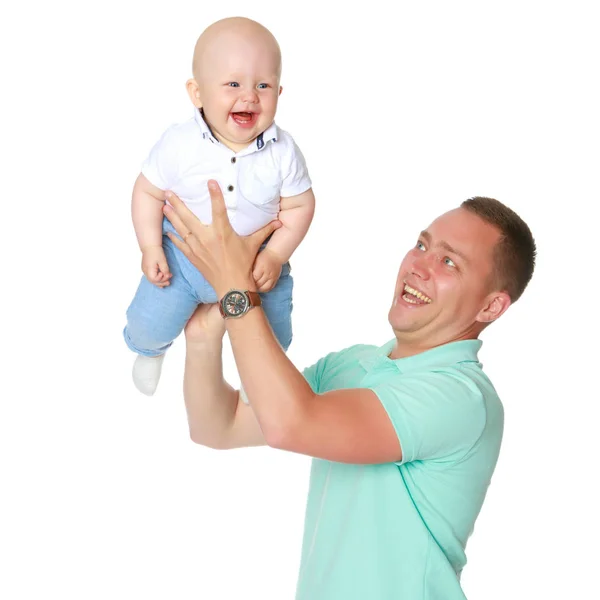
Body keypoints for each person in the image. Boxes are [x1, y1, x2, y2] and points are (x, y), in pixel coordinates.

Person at [163, 182, 536, 600]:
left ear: (490, 307)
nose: (418, 265)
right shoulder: (353, 365)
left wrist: (236, 288)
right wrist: (202, 339)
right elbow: (221, 427)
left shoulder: (462, 397)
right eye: (421, 244)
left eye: (449, 262)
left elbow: (293, 425)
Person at [122, 17, 315, 395]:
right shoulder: (179, 143)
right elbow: (147, 192)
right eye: (233, 84)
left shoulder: (284, 151)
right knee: (150, 318)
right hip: (183, 260)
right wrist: (150, 247)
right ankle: (149, 351)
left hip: (255, 266)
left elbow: (299, 207)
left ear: (279, 90)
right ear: (197, 93)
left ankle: (259, 377)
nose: (250, 96)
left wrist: (275, 256)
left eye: (263, 85)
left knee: (275, 331)